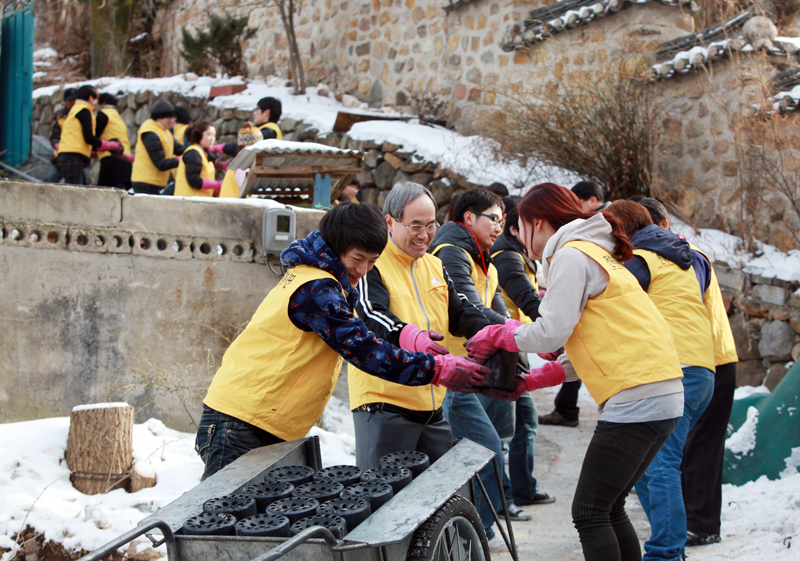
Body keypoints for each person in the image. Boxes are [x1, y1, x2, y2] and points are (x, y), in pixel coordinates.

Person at [466, 182, 684, 561]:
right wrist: (533, 380)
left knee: (589, 512)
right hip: (661, 393)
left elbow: (551, 332)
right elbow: (592, 348)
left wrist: (499, 334)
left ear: (540, 222)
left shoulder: (571, 255)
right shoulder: (597, 253)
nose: (516, 235)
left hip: (637, 397)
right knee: (609, 507)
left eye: (519, 226)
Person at [195, 202, 490, 480]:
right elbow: (364, 349)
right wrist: (436, 369)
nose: (362, 271)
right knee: (220, 525)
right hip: (241, 423)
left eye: (372, 262)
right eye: (357, 259)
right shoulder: (316, 289)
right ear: (335, 249)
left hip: (265, 422)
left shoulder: (326, 281)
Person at [351, 182, 497, 472]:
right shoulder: (373, 264)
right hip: (385, 405)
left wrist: (500, 333)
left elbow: (460, 312)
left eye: (431, 225)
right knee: (384, 500)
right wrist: (410, 336)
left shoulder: (433, 264)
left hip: (433, 405)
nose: (424, 235)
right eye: (415, 226)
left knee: (433, 502)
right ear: (390, 222)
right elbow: (370, 314)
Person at [603, 200, 715, 561]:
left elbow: (608, 304)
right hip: (702, 369)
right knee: (648, 464)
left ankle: (666, 552)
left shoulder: (642, 261)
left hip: (676, 369)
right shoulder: (685, 257)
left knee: (661, 463)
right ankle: (668, 547)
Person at [431, 189, 532, 549]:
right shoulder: (452, 252)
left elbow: (497, 307)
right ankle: (465, 535)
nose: (499, 226)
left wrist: (521, 336)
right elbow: (471, 310)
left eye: (503, 220)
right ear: (468, 218)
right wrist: (522, 335)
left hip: (473, 372)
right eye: (493, 218)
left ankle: (476, 533)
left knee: (487, 448)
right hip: (451, 371)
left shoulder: (480, 255)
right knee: (470, 454)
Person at [636, 199, 739, 548]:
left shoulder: (685, 254)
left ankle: (699, 524)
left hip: (711, 358)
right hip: (698, 359)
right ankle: (691, 525)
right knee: (681, 448)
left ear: (664, 223)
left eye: (647, 227)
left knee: (698, 447)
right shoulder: (667, 254)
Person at [489, 196, 554, 507]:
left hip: (518, 348)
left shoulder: (517, 254)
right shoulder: (507, 257)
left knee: (525, 422)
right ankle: (504, 497)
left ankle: (522, 490)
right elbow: (526, 297)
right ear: (517, 229)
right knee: (506, 428)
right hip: (507, 350)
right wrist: (553, 330)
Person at [538, 179, 606, 428]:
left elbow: (552, 330)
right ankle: (566, 409)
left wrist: (505, 336)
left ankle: (566, 409)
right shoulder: (589, 241)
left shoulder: (573, 251)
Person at [55, 85, 123, 186]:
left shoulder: (77, 109)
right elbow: (89, 137)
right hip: (73, 156)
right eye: (97, 97)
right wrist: (109, 145)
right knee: (74, 191)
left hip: (69, 155)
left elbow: (79, 138)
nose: (97, 101)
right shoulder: (83, 111)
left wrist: (95, 151)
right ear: (91, 98)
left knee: (79, 187)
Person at [131, 98, 184, 194]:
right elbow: (161, 163)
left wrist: (194, 151)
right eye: (170, 118)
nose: (173, 121)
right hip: (145, 183)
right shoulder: (150, 132)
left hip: (155, 182)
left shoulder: (164, 130)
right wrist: (181, 160)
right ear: (160, 118)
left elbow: (179, 149)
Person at [174, 121, 226, 197]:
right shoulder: (193, 153)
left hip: (198, 200)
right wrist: (217, 185)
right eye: (208, 134)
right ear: (198, 135)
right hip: (189, 201)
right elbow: (194, 180)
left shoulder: (203, 154)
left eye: (214, 136)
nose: (212, 139)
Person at [95, 93, 133, 190]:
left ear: (102, 103)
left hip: (111, 160)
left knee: (104, 195)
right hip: (125, 160)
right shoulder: (117, 117)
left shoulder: (103, 114)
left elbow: (94, 136)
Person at [45, 87, 78, 184]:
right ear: (64, 101)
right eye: (70, 100)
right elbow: (54, 135)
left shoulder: (82, 115)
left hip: (78, 157)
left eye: (75, 100)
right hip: (60, 156)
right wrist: (57, 145)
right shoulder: (59, 116)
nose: (73, 102)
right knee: (49, 181)